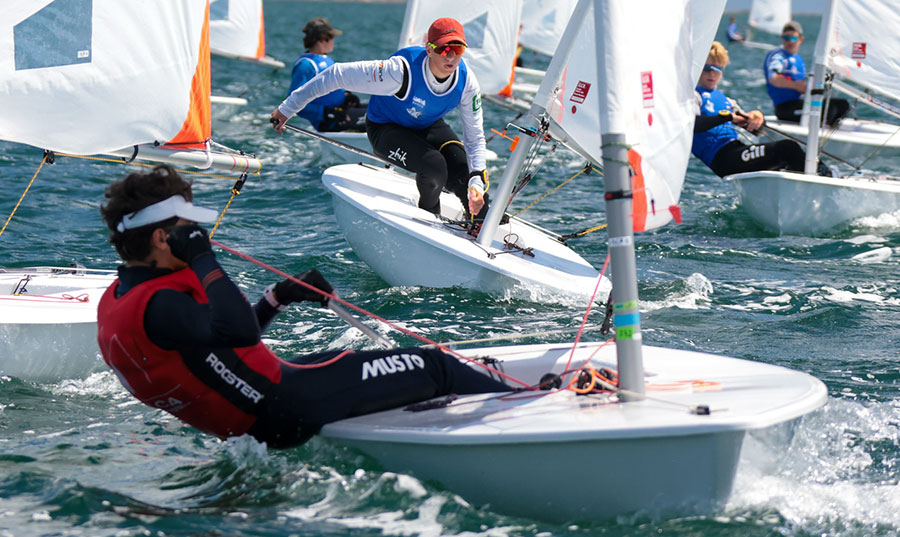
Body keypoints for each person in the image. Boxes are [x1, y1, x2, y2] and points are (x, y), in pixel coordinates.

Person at [96, 165, 512, 449]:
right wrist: (205, 257)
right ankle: (525, 407)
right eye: (190, 227)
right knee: (435, 365)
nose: (201, 232)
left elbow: (220, 347)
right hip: (285, 403)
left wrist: (279, 298)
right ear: (162, 238)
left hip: (261, 414)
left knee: (357, 361)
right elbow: (238, 333)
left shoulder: (122, 300)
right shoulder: (163, 303)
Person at [271, 17, 490, 222]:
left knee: (467, 172)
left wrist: (476, 184)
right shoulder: (398, 71)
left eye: (457, 49)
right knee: (435, 167)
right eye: (443, 49)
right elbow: (336, 74)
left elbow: (475, 139)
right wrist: (287, 108)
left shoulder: (467, 82)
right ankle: (430, 219)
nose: (450, 56)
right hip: (385, 128)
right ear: (429, 50)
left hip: (425, 124)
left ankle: (477, 225)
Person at [693, 42, 808, 177]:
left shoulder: (727, 101)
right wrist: (728, 117)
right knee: (788, 148)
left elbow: (758, 132)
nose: (712, 73)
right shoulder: (694, 96)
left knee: (788, 157)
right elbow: (694, 124)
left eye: (717, 69)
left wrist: (758, 118)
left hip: (737, 150)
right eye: (707, 68)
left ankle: (822, 175)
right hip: (722, 159)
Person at [764, 20, 849, 127]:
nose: (789, 41)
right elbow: (774, 79)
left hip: (800, 103)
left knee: (842, 105)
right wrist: (799, 86)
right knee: (831, 109)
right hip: (785, 108)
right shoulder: (777, 56)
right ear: (782, 39)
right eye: (786, 38)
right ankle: (820, 137)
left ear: (801, 39)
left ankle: (829, 131)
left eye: (793, 38)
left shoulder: (798, 59)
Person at [288, 17, 366, 133]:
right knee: (381, 115)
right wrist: (326, 113)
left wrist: (346, 96)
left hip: (341, 111)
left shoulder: (326, 59)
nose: (333, 41)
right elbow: (294, 102)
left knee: (382, 107)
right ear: (323, 38)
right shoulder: (306, 65)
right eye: (332, 37)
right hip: (330, 120)